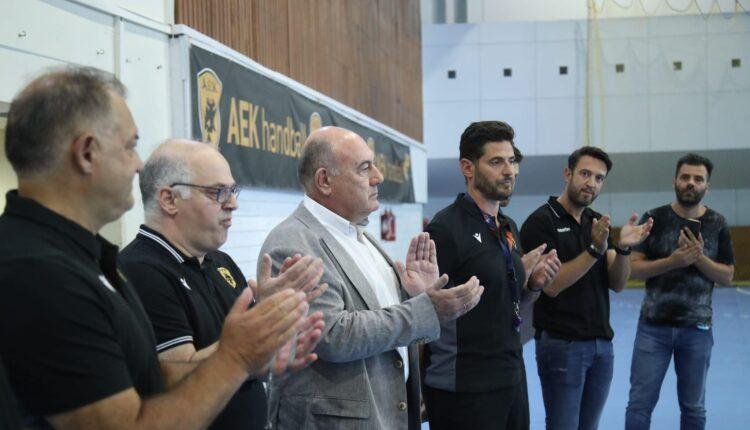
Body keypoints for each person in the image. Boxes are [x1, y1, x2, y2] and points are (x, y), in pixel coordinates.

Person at [0, 66, 319, 430]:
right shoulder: (40, 272)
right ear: (87, 153)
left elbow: (147, 378)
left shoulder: (79, 258)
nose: (139, 165)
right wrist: (235, 355)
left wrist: (254, 347)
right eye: (130, 146)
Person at [260, 126, 485, 429]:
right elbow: (333, 335)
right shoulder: (293, 243)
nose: (378, 177)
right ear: (324, 181)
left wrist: (416, 295)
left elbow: (381, 315)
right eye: (364, 168)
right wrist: (425, 309)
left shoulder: (359, 236)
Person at [120, 139, 326, 429]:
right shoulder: (140, 271)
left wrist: (274, 337)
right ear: (169, 200)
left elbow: (249, 362)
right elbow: (174, 378)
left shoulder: (220, 262)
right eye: (218, 192)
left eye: (232, 190)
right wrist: (248, 343)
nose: (233, 204)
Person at [422, 121, 561, 430]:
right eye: (496, 162)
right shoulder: (445, 230)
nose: (509, 171)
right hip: (464, 388)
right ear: (467, 168)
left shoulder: (508, 227)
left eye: (512, 161)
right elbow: (423, 311)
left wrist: (533, 285)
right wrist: (420, 386)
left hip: (511, 377)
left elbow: (509, 303)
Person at [520, 146, 653, 430]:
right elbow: (552, 285)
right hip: (562, 345)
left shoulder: (596, 222)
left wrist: (624, 249)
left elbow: (617, 283)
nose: (591, 183)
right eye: (585, 174)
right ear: (568, 174)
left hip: (601, 347)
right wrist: (594, 249)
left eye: (599, 178)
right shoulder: (541, 222)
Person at [625, 153, 734, 430]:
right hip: (652, 328)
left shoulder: (717, 223)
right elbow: (633, 269)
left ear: (707, 186)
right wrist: (673, 261)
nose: (691, 183)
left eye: (698, 179)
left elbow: (727, 275)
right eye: (685, 177)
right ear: (675, 180)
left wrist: (698, 258)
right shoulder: (654, 218)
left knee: (693, 408)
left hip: (697, 329)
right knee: (639, 405)